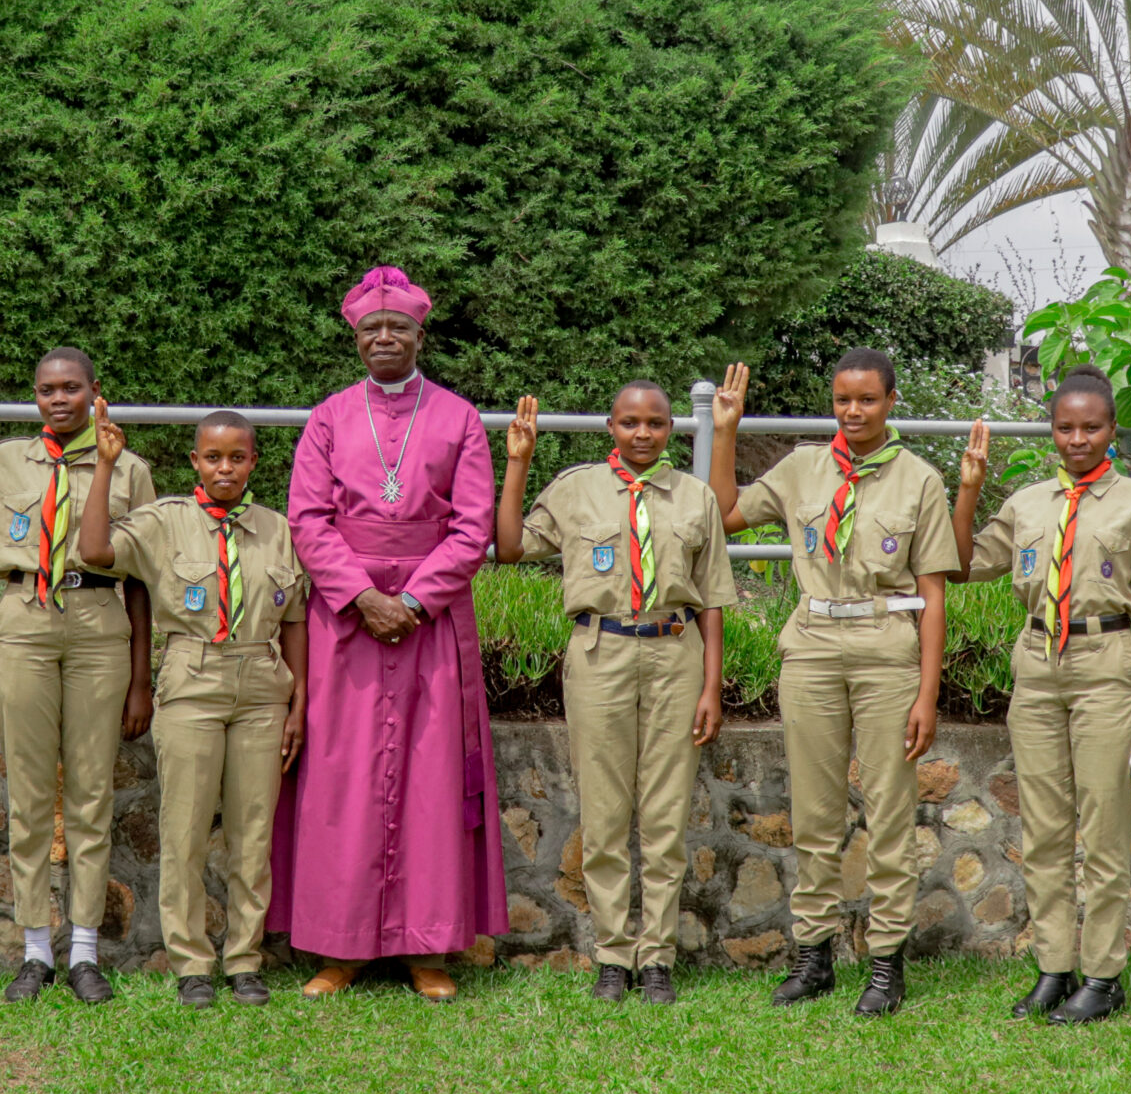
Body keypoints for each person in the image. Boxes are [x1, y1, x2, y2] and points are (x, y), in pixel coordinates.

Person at [276, 266, 507, 1000]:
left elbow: (473, 529)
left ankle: (426, 946)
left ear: (418, 334)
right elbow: (307, 521)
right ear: (356, 338)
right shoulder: (328, 417)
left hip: (429, 621)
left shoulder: (460, 417)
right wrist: (361, 596)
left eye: (398, 328)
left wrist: (411, 599)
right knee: (340, 780)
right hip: (346, 623)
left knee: (429, 779)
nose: (384, 337)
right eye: (372, 329)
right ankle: (338, 947)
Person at [708, 351, 961, 1017]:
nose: (854, 411)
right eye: (843, 400)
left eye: (868, 400)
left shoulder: (919, 479)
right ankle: (813, 954)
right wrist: (726, 429)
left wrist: (927, 693)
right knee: (815, 814)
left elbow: (933, 592)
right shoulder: (802, 468)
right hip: (814, 645)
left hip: (885, 648)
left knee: (888, 811)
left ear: (891, 401)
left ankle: (885, 963)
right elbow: (724, 512)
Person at [0, 349, 154, 1004]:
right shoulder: (7, 460)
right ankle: (34, 950)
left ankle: (83, 951)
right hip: (24, 617)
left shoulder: (128, 467)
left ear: (94, 390)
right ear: (35, 394)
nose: (59, 398)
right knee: (27, 791)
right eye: (47, 388)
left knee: (89, 791)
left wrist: (141, 678)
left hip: (100, 622)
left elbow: (140, 582)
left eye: (72, 387)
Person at [951, 367, 1131, 1026]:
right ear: (1051, 429)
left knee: (1102, 826)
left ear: (1111, 430)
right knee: (1044, 827)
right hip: (1037, 663)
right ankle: (1055, 966)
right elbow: (962, 561)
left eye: (1091, 427)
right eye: (1065, 427)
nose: (1077, 438)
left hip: (1106, 661)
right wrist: (969, 490)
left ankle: (1103, 974)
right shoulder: (1026, 503)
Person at [495, 383, 734, 1005]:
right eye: (630, 423)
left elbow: (710, 600)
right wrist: (518, 460)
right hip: (600, 651)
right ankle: (611, 952)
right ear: (611, 426)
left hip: (674, 653)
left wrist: (711, 684)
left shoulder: (693, 496)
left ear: (670, 430)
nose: (643, 434)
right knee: (604, 815)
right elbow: (512, 545)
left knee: (664, 813)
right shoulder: (576, 489)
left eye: (656, 423)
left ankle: (656, 955)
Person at [77, 403, 308, 1006]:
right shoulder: (164, 522)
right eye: (213, 457)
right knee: (184, 828)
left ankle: (244, 959)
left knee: (252, 830)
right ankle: (192, 964)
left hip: (263, 681)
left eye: (237, 457)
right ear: (194, 462)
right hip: (194, 676)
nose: (225, 468)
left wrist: (299, 702)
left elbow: (296, 621)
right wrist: (104, 468)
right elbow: (96, 551)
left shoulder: (276, 528)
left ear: (254, 461)